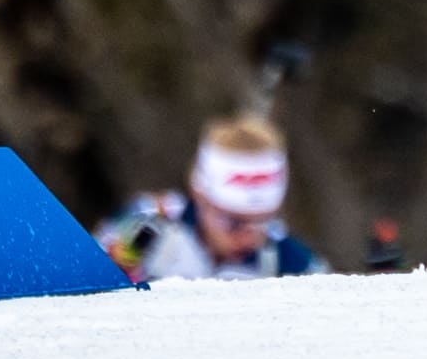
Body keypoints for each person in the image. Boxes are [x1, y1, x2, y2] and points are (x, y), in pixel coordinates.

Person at [101, 118, 322, 282]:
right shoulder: (150, 224)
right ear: (200, 197)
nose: (248, 238)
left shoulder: (288, 261)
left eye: (263, 221)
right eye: (234, 222)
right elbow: (87, 281)